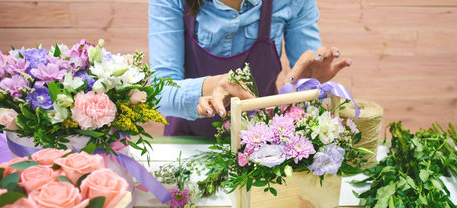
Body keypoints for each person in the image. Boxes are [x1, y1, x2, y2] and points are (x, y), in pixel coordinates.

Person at [148, 0, 352, 137]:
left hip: (265, 146)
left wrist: (309, 85)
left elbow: (306, 74)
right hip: (188, 141)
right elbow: (159, 93)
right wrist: (212, 86)